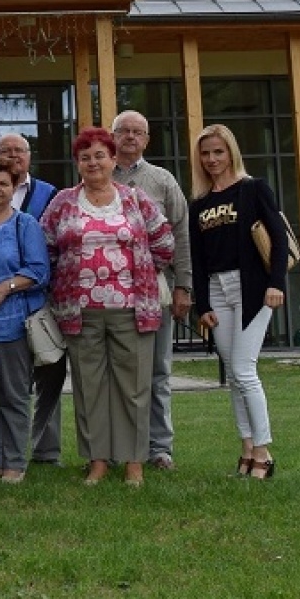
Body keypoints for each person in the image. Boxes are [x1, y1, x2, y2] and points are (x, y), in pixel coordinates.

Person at [42, 126, 175, 488]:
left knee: (133, 386)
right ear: (78, 163)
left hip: (133, 307)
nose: (93, 162)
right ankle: (97, 461)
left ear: (114, 159)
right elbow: (47, 248)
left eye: (100, 155)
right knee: (89, 386)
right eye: (85, 157)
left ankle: (134, 462)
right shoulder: (63, 202)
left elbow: (164, 242)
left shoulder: (134, 199)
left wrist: (142, 272)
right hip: (78, 311)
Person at [189, 123, 288, 480]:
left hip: (252, 289)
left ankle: (263, 452)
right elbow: (198, 260)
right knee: (233, 374)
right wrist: (204, 305)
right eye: (205, 153)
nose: (212, 159)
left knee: (245, 371)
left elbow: (277, 237)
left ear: (231, 152)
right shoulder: (199, 203)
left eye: (218, 151)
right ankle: (246, 448)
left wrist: (276, 283)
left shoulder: (252, 189)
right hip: (217, 290)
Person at [0, 133, 62, 467]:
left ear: (13, 189)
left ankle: (15, 463)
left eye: (3, 184)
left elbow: (39, 271)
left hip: (13, 323)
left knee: (14, 395)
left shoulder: (24, 224)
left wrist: (3, 288)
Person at [110, 110, 192, 470]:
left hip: (154, 289)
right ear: (112, 137)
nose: (130, 136)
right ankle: (114, 449)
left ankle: (160, 448)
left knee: (157, 370)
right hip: (109, 291)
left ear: (146, 139)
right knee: (114, 373)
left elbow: (182, 235)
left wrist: (183, 286)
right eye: (123, 131)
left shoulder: (161, 180)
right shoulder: (98, 176)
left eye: (137, 132)